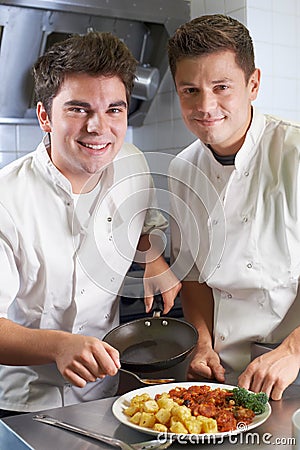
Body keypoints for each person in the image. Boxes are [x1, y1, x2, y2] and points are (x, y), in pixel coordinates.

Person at [0, 31, 180, 416]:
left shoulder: (132, 164)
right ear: (45, 116)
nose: (99, 127)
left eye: (114, 109)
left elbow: (143, 223)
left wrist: (153, 257)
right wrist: (57, 346)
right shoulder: (7, 199)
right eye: (78, 109)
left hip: (106, 395)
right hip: (23, 401)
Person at [167, 14, 300, 401]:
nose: (206, 106)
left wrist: (292, 352)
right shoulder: (182, 170)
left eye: (221, 87)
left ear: (253, 84)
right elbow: (193, 276)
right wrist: (203, 343)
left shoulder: (293, 155)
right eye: (189, 90)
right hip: (225, 375)